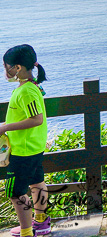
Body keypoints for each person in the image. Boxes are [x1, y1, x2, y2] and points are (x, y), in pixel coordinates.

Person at [0, 46, 49, 237]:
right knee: (37, 183)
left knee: (16, 192)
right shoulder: (31, 86)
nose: (5, 71)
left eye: (7, 67)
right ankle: (40, 223)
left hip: (24, 151)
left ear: (18, 67)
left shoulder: (26, 91)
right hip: (33, 147)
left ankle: (27, 232)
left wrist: (4, 128)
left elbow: (36, 119)